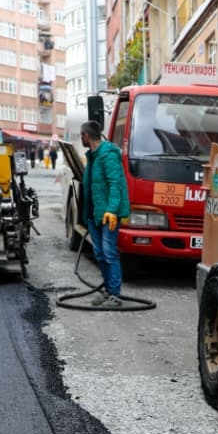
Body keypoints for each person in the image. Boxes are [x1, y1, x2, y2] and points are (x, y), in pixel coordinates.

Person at [80, 119, 130, 307]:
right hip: (94, 214)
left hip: (108, 214)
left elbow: (115, 185)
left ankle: (115, 295)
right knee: (99, 254)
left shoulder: (108, 154)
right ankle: (108, 291)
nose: (82, 139)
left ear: (86, 136)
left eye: (81, 136)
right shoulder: (93, 156)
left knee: (109, 253)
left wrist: (111, 210)